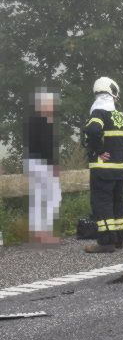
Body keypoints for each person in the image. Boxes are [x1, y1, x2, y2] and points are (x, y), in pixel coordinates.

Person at [82, 77, 123, 253]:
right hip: (120, 169)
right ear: (114, 94)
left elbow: (91, 131)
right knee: (117, 202)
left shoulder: (98, 112)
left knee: (102, 203)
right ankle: (119, 239)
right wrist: (117, 145)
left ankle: (106, 242)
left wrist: (98, 150)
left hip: (103, 169)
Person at [24, 88, 62, 245]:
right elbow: (46, 146)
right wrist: (53, 166)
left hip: (33, 162)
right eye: (50, 104)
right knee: (53, 197)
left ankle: (38, 233)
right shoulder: (43, 121)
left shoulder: (33, 120)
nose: (52, 106)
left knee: (38, 198)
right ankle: (43, 234)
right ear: (42, 105)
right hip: (41, 163)